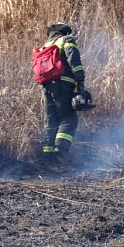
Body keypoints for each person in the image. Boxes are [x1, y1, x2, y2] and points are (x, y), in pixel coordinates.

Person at [37, 23, 85, 163]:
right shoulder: (66, 40)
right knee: (68, 119)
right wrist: (80, 83)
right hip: (63, 85)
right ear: (65, 32)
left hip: (46, 87)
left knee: (51, 120)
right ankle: (60, 152)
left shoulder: (44, 46)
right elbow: (74, 62)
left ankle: (47, 155)